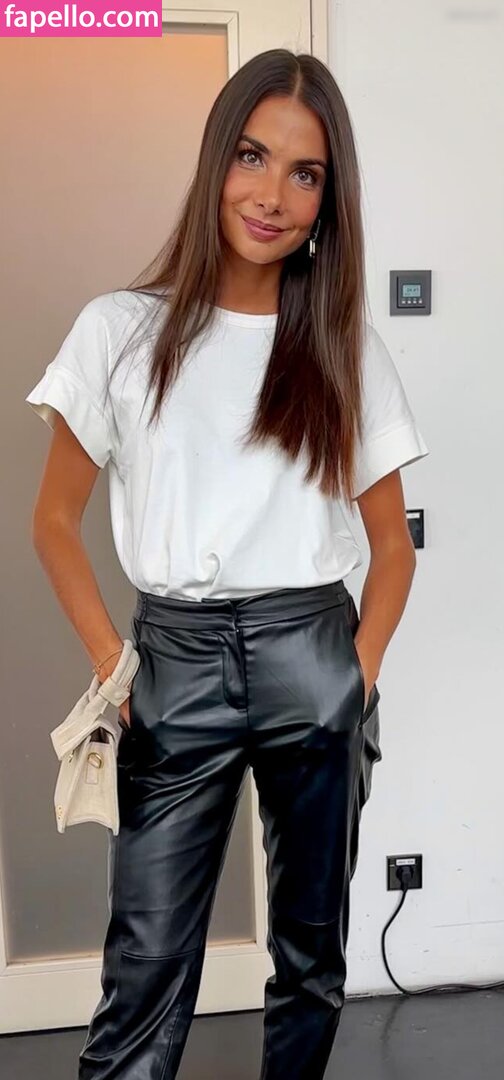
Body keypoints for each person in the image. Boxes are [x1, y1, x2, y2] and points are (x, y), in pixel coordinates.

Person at [25, 48, 429, 1080]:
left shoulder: (342, 348)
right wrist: (117, 666)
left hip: (312, 652)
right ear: (216, 159)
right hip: (175, 662)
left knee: (311, 961)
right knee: (145, 969)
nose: (272, 195)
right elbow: (54, 522)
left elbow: (392, 545)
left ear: (328, 203)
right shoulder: (121, 332)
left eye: (306, 174)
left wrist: (355, 676)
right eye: (253, 156)